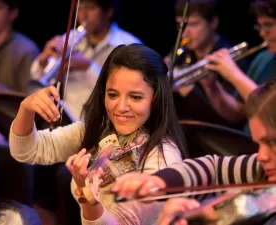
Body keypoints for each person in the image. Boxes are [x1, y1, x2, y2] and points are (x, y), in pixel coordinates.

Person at [10, 43, 187, 225]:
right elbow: (26, 151)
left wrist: (89, 199)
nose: (121, 107)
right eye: (112, 95)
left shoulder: (163, 157)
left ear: (156, 99)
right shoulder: (98, 130)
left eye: (135, 97)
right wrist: (26, 108)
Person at [111, 79, 276, 225]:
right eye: (259, 144)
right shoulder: (259, 169)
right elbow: (213, 170)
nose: (262, 156)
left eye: (271, 142)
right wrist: (160, 182)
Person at [30, 0, 142, 122]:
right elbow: (39, 78)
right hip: (68, 119)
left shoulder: (129, 45)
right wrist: (44, 60)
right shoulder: (70, 37)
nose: (83, 15)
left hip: (108, 122)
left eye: (90, 8)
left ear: (109, 11)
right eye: (80, 9)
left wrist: (89, 67)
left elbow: (129, 90)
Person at [169, 0, 249, 130]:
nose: (184, 34)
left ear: (213, 23)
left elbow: (231, 119)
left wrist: (190, 92)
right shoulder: (181, 53)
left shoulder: (232, 60)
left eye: (193, 25)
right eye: (181, 25)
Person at [204, 0, 276, 133]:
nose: (262, 33)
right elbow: (236, 114)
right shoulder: (262, 58)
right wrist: (212, 87)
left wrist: (233, 74)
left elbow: (271, 110)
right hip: (248, 142)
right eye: (260, 26)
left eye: (269, 25)